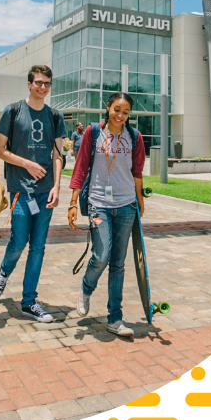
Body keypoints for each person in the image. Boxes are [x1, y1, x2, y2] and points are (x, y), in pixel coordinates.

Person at [0, 65, 66, 322]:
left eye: (47, 83)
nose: (42, 87)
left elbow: (58, 155)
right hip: (21, 190)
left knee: (38, 247)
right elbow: (0, 149)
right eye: (38, 82)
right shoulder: (12, 111)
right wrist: (27, 163)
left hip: (45, 192)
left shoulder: (55, 116)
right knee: (19, 241)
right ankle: (4, 270)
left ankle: (29, 302)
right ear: (29, 84)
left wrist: (57, 186)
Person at [67, 92, 146, 337]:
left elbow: (138, 171)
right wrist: (71, 202)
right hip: (98, 203)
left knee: (118, 263)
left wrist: (140, 202)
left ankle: (115, 318)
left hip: (126, 205)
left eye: (125, 112)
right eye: (117, 110)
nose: (120, 115)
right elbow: (80, 167)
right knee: (101, 256)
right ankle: (86, 287)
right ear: (108, 107)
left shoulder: (134, 136)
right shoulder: (93, 132)